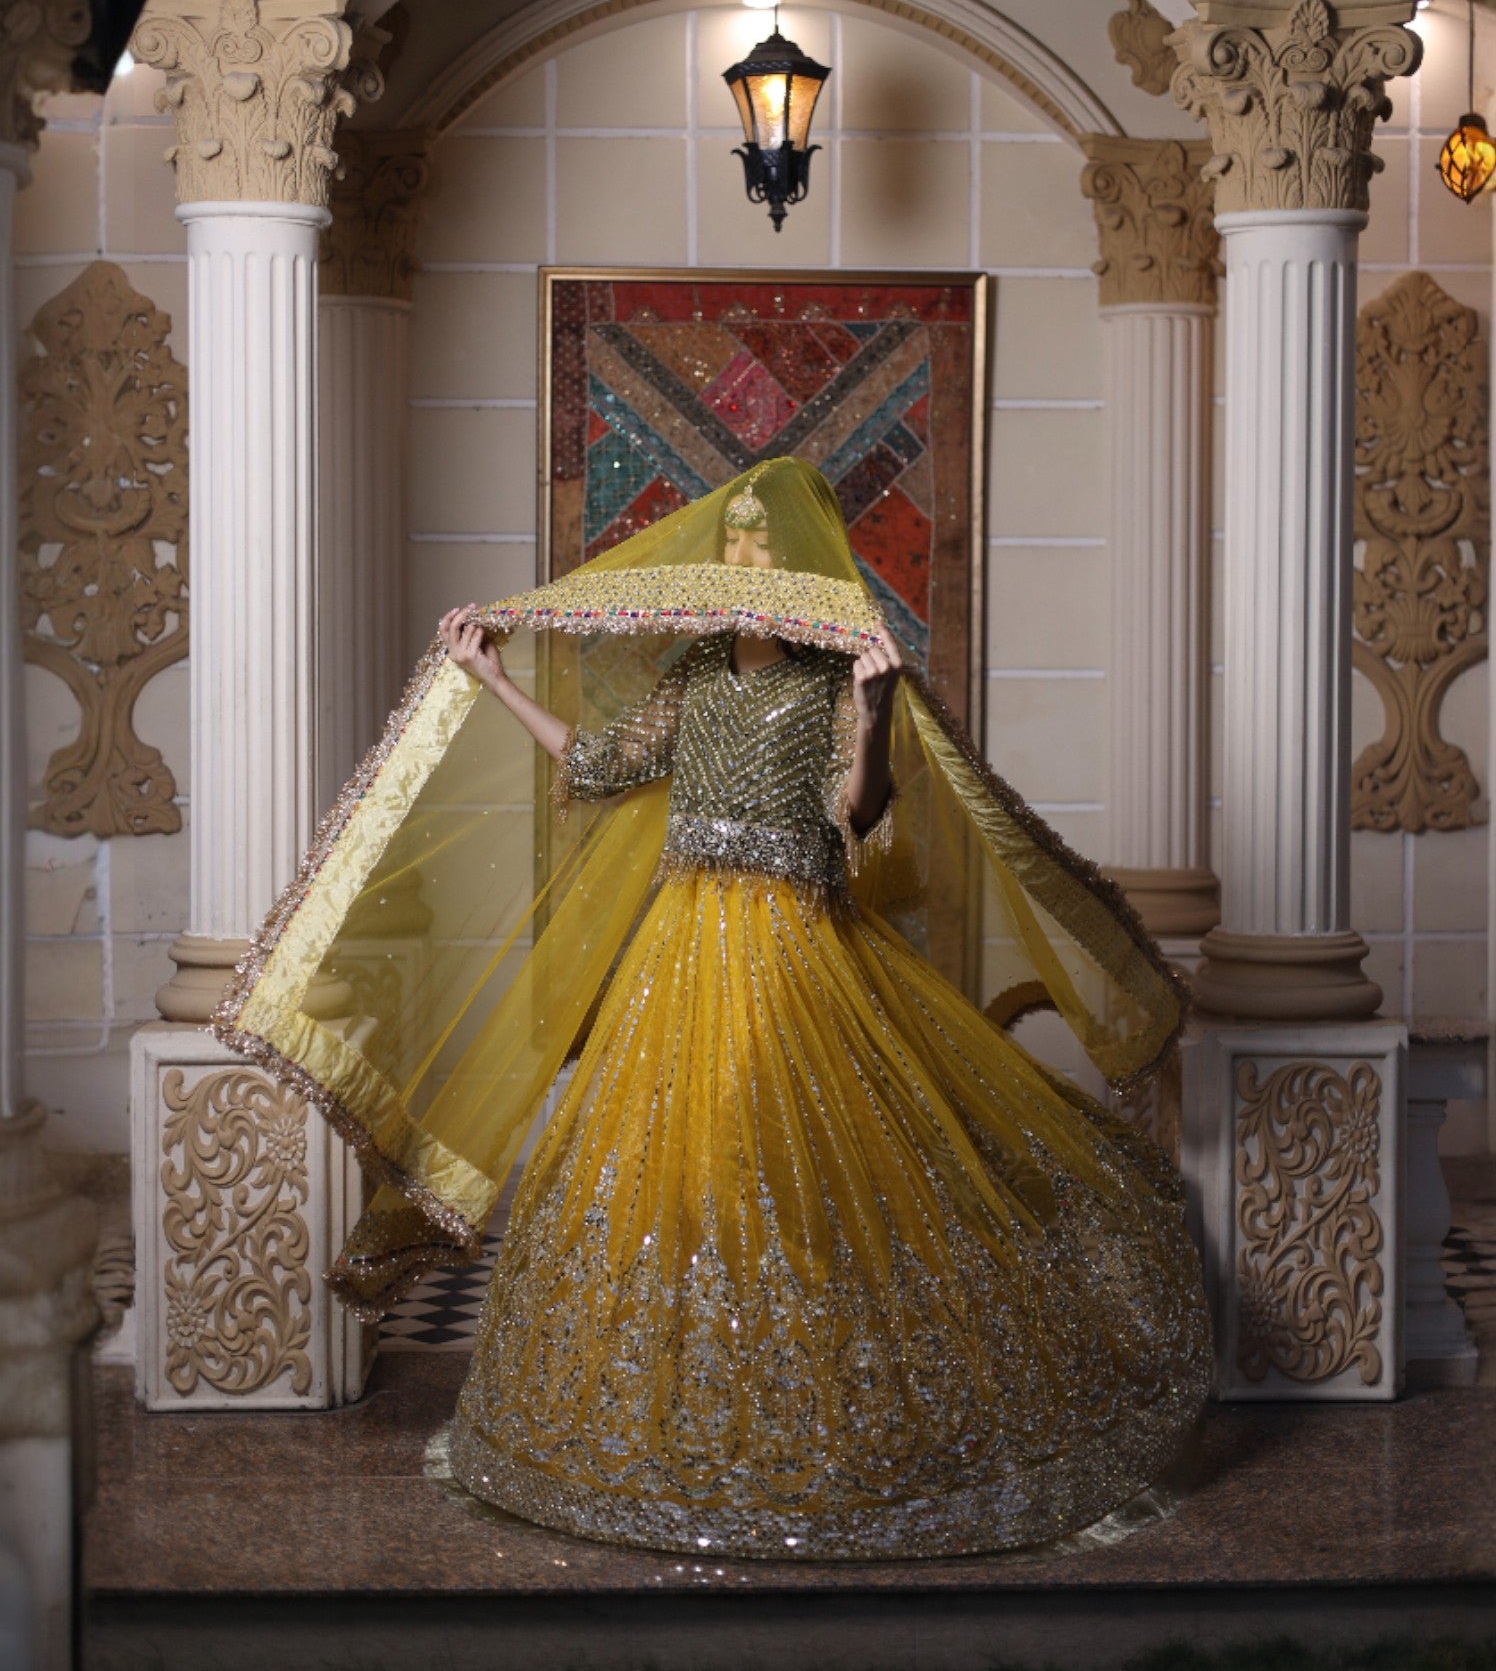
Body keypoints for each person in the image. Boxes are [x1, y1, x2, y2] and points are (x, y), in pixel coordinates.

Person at [213, 457, 1211, 1561]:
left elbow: (861, 812)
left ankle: (820, 1427)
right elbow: (596, 764)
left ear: (798, 565)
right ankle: (681, 1420)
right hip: (681, 947)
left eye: (761, 544)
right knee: (678, 1171)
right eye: (731, 540)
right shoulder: (692, 667)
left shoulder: (840, 676)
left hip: (796, 944)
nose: (744, 559)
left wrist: (874, 711)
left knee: (786, 1165)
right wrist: (489, 679)